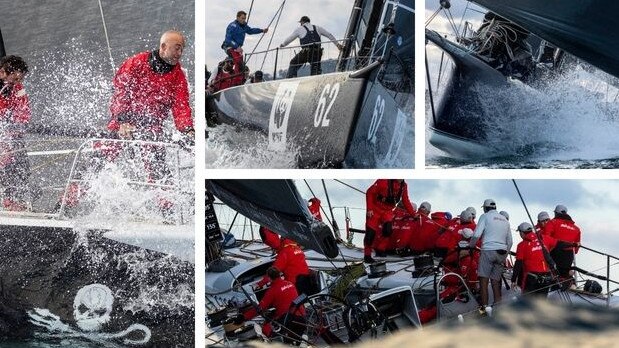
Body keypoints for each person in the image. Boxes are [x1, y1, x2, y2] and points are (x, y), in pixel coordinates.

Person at [236, 267, 306, 344]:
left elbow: (259, 309)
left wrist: (243, 317)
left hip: (288, 320)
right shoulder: (290, 284)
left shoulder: (272, 291)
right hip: (302, 317)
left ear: (269, 278)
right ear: (279, 275)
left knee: (266, 329)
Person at [469, 199, 512, 314]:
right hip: (502, 253)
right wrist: (505, 255)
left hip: (488, 250)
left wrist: (471, 246)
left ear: (485, 208)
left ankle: (483, 311)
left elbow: (477, 234)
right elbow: (510, 242)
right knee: (495, 282)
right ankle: (499, 310)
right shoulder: (504, 219)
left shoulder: (485, 216)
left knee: (483, 281)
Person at [0, 55, 31, 211]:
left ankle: (17, 199)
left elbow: (24, 110)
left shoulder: (17, 88)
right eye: (16, 78)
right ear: (4, 72)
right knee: (7, 166)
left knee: (23, 167)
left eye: (21, 79)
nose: (19, 81)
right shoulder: (3, 87)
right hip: (4, 136)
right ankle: (9, 202)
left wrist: (20, 125)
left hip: (15, 135)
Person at [364, 179, 416, 263]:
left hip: (387, 211)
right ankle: (367, 255)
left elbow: (405, 200)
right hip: (375, 209)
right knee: (370, 233)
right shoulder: (383, 181)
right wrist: (369, 209)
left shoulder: (403, 186)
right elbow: (369, 192)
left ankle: (380, 250)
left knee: (388, 230)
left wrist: (413, 214)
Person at [511, 222, 556, 297]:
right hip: (546, 277)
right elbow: (558, 243)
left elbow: (518, 263)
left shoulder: (521, 245)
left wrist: (513, 279)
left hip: (531, 278)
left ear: (522, 233)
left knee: (528, 303)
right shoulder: (544, 239)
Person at [544, 205, 581, 283]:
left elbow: (545, 239)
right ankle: (569, 283)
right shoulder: (576, 229)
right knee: (564, 275)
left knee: (553, 273)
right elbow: (576, 249)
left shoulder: (552, 223)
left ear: (556, 213)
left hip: (555, 252)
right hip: (569, 256)